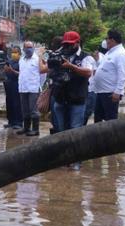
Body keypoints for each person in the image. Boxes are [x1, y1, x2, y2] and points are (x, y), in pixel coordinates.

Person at [52, 31, 94, 170]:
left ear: (77, 43)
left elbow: (88, 72)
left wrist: (71, 66)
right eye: (65, 44)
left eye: (70, 44)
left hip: (77, 99)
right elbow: (46, 70)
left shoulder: (86, 57)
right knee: (61, 131)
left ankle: (76, 160)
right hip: (60, 98)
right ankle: (64, 159)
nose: (67, 47)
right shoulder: (60, 54)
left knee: (75, 130)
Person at [93, 30, 125, 122]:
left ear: (112, 40)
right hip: (101, 91)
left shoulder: (121, 54)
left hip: (110, 93)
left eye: (106, 38)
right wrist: (97, 61)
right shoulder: (110, 52)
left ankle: (112, 137)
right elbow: (104, 67)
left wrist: (118, 92)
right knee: (98, 119)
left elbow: (123, 75)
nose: (105, 41)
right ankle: (100, 136)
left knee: (110, 121)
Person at [16, 41, 48, 136]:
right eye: (27, 47)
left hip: (33, 88)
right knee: (25, 110)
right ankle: (26, 128)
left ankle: (35, 129)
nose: (29, 49)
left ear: (33, 48)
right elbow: (22, 73)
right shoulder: (21, 59)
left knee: (33, 110)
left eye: (31, 47)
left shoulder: (37, 59)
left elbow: (43, 74)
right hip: (23, 88)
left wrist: (38, 85)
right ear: (24, 49)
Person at [83, 40, 107, 125]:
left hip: (93, 89)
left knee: (89, 111)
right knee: (85, 111)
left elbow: (99, 72)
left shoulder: (102, 57)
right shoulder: (84, 57)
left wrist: (97, 60)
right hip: (86, 89)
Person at [3, 46, 22, 129]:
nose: (13, 54)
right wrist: (6, 70)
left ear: (19, 53)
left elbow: (22, 74)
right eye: (12, 52)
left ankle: (18, 122)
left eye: (15, 52)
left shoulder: (21, 62)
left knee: (17, 103)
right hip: (9, 84)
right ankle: (10, 121)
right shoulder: (9, 61)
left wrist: (12, 70)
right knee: (9, 103)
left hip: (17, 83)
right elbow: (5, 71)